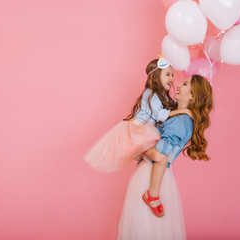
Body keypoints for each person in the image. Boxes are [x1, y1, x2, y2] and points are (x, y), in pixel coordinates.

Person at [117, 75, 214, 240]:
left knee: (146, 227)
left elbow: (159, 155)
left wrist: (138, 144)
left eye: (184, 84)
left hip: (152, 176)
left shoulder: (181, 121)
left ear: (192, 95)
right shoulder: (176, 115)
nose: (178, 85)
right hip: (152, 172)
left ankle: (152, 195)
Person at [84, 58, 191, 173]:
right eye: (168, 74)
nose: (171, 78)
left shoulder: (163, 96)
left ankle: (141, 152)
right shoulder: (150, 94)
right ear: (155, 76)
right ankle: (139, 151)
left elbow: (172, 106)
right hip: (140, 127)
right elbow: (160, 115)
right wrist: (183, 111)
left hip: (147, 127)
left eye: (172, 75)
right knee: (154, 152)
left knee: (156, 150)